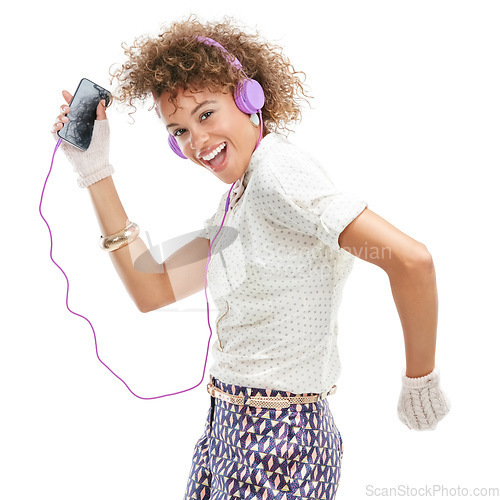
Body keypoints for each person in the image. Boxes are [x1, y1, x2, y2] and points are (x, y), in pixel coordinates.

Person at [51, 15, 451, 500]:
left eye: (205, 114)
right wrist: (97, 172)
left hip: (281, 440)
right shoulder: (239, 200)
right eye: (177, 130)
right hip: (225, 429)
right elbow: (152, 288)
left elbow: (411, 260)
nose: (195, 143)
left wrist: (419, 377)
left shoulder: (277, 173)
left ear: (249, 99)